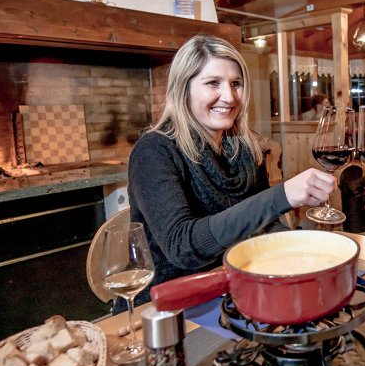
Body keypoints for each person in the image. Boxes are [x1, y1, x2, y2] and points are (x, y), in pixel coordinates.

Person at [126, 34, 336, 308]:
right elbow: (182, 247)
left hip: (234, 289)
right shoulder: (154, 151)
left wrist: (298, 256)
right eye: (213, 83)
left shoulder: (245, 146)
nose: (229, 96)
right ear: (183, 88)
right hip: (169, 307)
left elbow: (266, 223)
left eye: (236, 84)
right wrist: (280, 196)